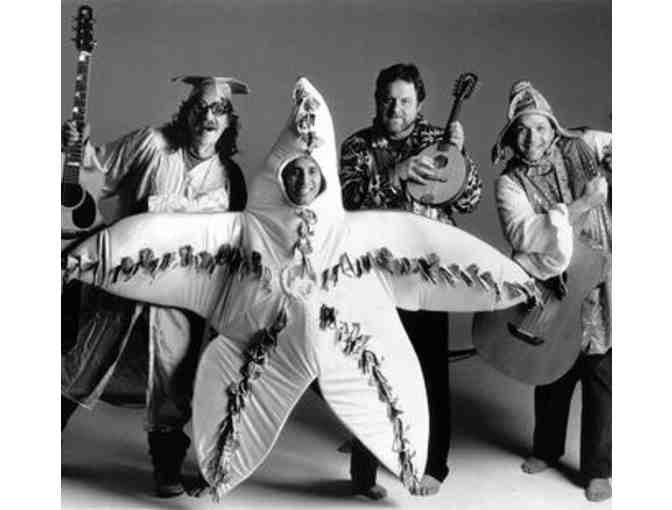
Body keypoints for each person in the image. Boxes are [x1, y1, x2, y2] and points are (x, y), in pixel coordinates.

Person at [61, 76, 249, 497]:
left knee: (172, 378)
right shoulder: (151, 143)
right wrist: (76, 148)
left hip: (179, 299)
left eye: (218, 110)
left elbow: (232, 243)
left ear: (228, 122)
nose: (208, 117)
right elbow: (96, 174)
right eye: (200, 107)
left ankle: (166, 467)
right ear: (187, 112)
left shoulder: (229, 177)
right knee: (83, 361)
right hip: (122, 283)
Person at [339, 63, 483, 499]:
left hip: (425, 277)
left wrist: (461, 158)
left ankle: (433, 463)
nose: (395, 108)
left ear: (419, 103)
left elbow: (471, 199)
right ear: (376, 99)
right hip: (374, 276)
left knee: (429, 370)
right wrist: (397, 172)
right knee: (369, 368)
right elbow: (349, 202)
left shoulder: (440, 140)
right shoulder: (358, 146)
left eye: (404, 100)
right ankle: (365, 469)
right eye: (388, 99)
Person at [492, 80, 612, 502]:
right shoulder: (509, 183)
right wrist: (583, 205)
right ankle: (546, 448)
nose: (533, 138)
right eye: (523, 130)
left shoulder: (582, 148)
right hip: (551, 286)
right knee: (551, 369)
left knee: (600, 374)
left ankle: (598, 468)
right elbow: (525, 235)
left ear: (554, 127)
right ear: (512, 136)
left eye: (540, 128)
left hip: (598, 280)